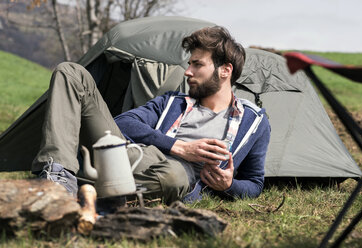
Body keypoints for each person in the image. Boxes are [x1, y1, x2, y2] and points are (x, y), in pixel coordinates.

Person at [32, 26, 270, 204]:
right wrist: (178, 147)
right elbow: (123, 123)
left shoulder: (253, 121)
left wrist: (228, 185)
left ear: (225, 70)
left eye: (197, 64)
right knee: (71, 72)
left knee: (174, 176)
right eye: (189, 64)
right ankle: (57, 179)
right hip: (136, 156)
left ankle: (89, 191)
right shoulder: (172, 102)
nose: (187, 72)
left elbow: (254, 183)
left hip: (178, 178)